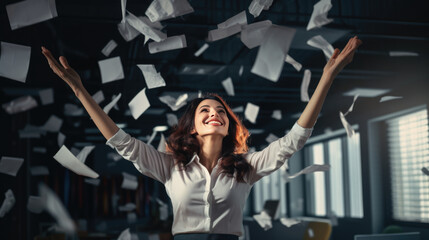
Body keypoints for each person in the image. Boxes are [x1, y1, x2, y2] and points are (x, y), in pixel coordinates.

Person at [42, 36, 362, 240]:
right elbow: (120, 141)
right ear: (193, 126)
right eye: (205, 110)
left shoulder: (246, 167)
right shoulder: (169, 167)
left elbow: (295, 139)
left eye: (220, 111)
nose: (215, 113)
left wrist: (327, 78)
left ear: (227, 125)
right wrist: (79, 90)